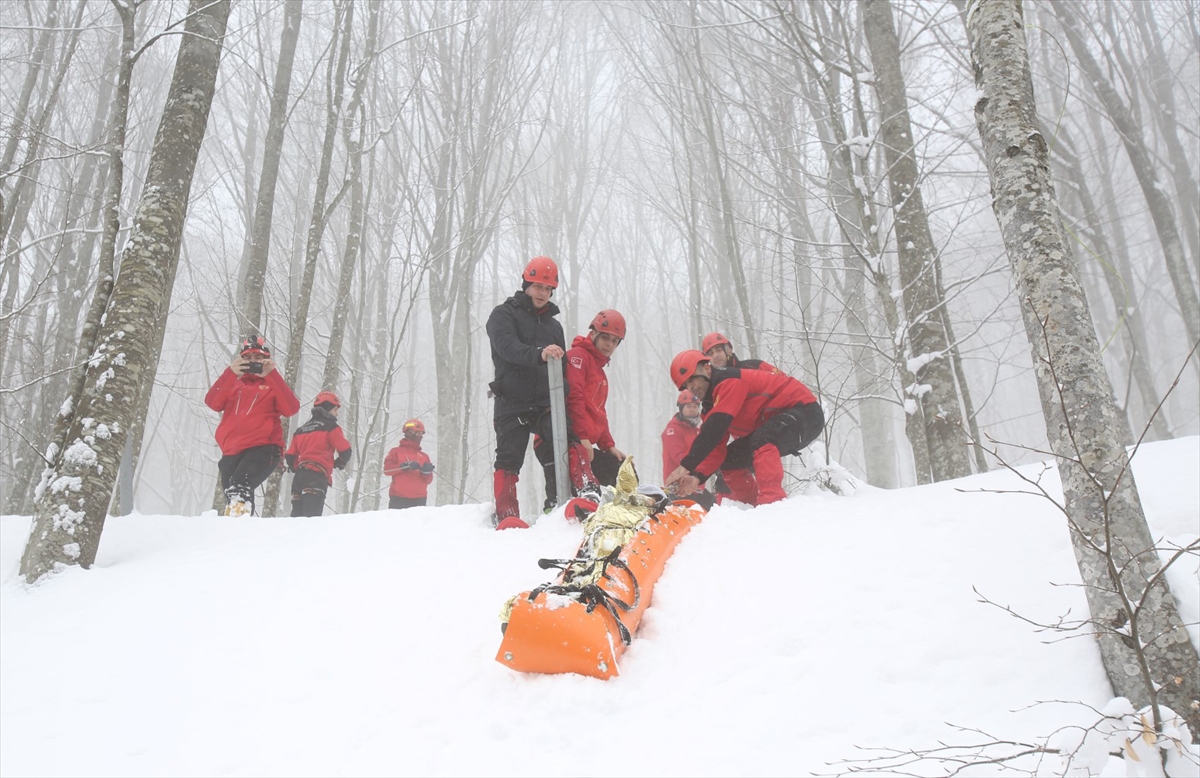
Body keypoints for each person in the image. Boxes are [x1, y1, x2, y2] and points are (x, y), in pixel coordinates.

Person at [486, 256, 594, 530]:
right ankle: (506, 513)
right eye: (537, 286)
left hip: (546, 402)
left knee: (566, 441)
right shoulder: (503, 315)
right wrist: (538, 354)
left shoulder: (553, 326)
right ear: (526, 285)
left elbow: (564, 367)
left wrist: (566, 393)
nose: (542, 293)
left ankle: (587, 491)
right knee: (508, 458)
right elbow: (506, 346)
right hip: (511, 400)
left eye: (547, 288)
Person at [664, 350, 824, 506]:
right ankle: (751, 507)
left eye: (692, 379)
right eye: (686, 385)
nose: (691, 387)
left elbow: (715, 427)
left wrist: (686, 466)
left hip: (806, 412)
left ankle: (772, 504)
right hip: (779, 423)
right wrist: (697, 476)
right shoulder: (710, 405)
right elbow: (715, 447)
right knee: (731, 460)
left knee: (762, 438)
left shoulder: (729, 380)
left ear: (706, 369)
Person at [204, 335, 301, 516]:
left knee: (240, 486)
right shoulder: (233, 383)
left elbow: (291, 408)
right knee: (233, 495)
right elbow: (212, 402)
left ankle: (239, 524)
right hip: (231, 451)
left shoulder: (272, 385)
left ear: (266, 360)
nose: (253, 362)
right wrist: (230, 373)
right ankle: (241, 532)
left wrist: (271, 375)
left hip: (264, 447)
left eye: (258, 358)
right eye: (247, 358)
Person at [564, 309, 627, 488]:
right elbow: (573, 398)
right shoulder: (578, 357)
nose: (610, 345)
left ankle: (621, 511)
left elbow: (598, 412)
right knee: (584, 484)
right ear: (593, 334)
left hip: (579, 440)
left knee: (621, 470)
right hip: (566, 439)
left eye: (615, 341)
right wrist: (582, 437)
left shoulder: (600, 373)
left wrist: (608, 445)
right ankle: (559, 513)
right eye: (606, 338)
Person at [284, 391, 352, 517]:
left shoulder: (301, 430)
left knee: (296, 522)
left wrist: (295, 467)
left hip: (299, 478)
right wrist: (339, 462)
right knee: (311, 522)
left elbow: (290, 456)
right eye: (335, 409)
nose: (336, 414)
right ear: (328, 408)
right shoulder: (331, 427)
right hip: (316, 477)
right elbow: (345, 450)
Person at [661, 390, 714, 510]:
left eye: (695, 406)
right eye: (689, 406)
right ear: (681, 407)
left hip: (695, 487)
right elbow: (679, 456)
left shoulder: (697, 430)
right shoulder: (673, 430)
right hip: (678, 488)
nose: (693, 409)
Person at [383, 419, 435, 509]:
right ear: (409, 433)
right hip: (398, 499)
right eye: (418, 433)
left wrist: (427, 473)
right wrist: (403, 466)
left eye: (421, 434)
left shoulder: (424, 456)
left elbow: (428, 480)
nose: (420, 437)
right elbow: (387, 470)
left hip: (419, 499)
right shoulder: (395, 452)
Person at [701, 331, 774, 371]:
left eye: (719, 350)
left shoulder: (754, 366)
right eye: (711, 353)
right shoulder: (709, 386)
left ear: (729, 350)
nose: (715, 355)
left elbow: (783, 380)